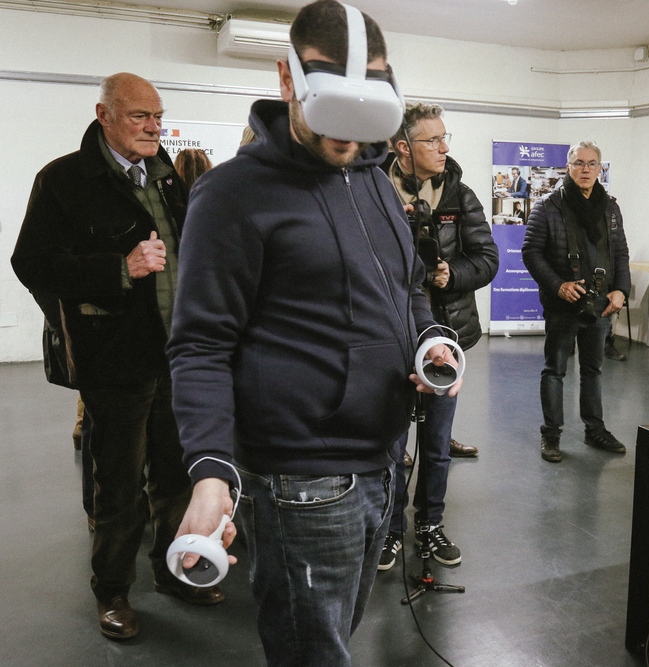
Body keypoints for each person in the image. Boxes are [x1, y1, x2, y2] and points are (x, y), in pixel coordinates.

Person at [165, 2, 459, 664]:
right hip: (303, 479)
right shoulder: (233, 194)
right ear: (286, 78)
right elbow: (200, 344)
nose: (346, 143)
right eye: (334, 124)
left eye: (362, 128)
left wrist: (428, 339)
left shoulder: (373, 183)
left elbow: (405, 286)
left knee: (334, 632)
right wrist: (211, 470)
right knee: (312, 651)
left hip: (382, 461)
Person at [11, 72, 220, 641]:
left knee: (176, 475)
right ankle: (113, 591)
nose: (154, 126)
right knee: (119, 483)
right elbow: (31, 262)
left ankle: (175, 570)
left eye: (158, 116)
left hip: (176, 353)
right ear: (104, 115)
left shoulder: (168, 177)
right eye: (139, 117)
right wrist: (117, 269)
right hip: (115, 358)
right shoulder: (62, 180)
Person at [379, 102, 499, 570]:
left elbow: (488, 259)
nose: (444, 148)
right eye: (432, 140)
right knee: (390, 444)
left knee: (436, 442)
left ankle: (429, 526)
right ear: (402, 147)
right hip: (390, 336)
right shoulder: (375, 190)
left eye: (445, 138)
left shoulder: (461, 195)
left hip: (445, 335)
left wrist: (454, 275)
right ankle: (389, 531)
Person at [522, 140, 630, 463]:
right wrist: (558, 286)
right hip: (562, 303)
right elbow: (531, 252)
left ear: (600, 168)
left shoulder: (610, 208)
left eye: (591, 164)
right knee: (555, 370)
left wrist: (621, 290)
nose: (585, 169)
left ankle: (594, 429)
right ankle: (551, 435)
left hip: (600, 303)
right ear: (568, 168)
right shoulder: (547, 206)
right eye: (579, 163)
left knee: (593, 370)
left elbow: (621, 253)